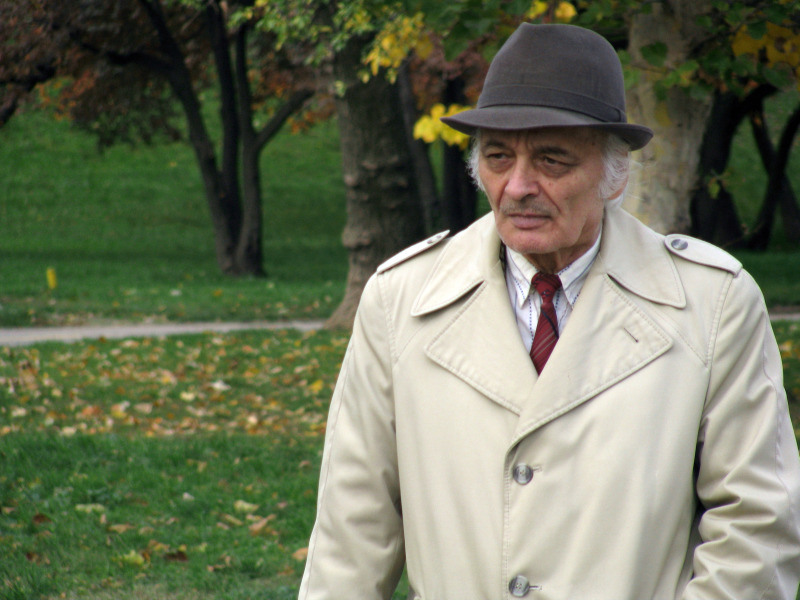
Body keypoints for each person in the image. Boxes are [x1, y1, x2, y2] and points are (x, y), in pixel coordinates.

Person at [298, 23, 800, 600]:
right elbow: (351, 534)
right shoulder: (399, 300)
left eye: (552, 160)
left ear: (614, 173)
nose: (517, 186)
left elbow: (755, 530)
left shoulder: (713, 305)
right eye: (498, 156)